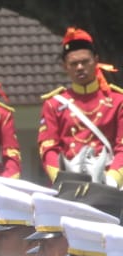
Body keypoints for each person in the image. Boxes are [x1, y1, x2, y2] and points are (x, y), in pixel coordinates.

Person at [37, 27, 123, 185]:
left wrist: (113, 180)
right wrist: (61, 179)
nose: (80, 67)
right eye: (74, 63)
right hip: (69, 182)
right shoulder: (54, 104)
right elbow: (49, 148)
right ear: (65, 67)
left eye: (85, 62)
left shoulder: (118, 101)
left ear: (96, 61)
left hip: (110, 182)